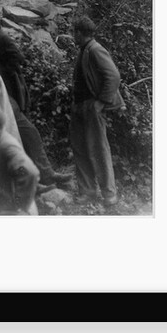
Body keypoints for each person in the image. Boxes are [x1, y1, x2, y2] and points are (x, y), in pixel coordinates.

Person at [0, 14, 73, 188]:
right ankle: (38, 179)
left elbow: (18, 58)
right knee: (24, 138)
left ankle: (45, 176)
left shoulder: (1, 39)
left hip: (9, 96)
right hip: (2, 103)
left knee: (29, 135)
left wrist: (3, 74)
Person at [69, 16, 125, 206]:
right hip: (80, 107)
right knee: (80, 148)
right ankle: (88, 192)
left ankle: (109, 194)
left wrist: (101, 102)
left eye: (74, 32)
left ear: (79, 33)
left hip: (92, 107)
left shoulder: (95, 49)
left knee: (98, 150)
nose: (72, 35)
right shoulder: (85, 49)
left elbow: (113, 76)